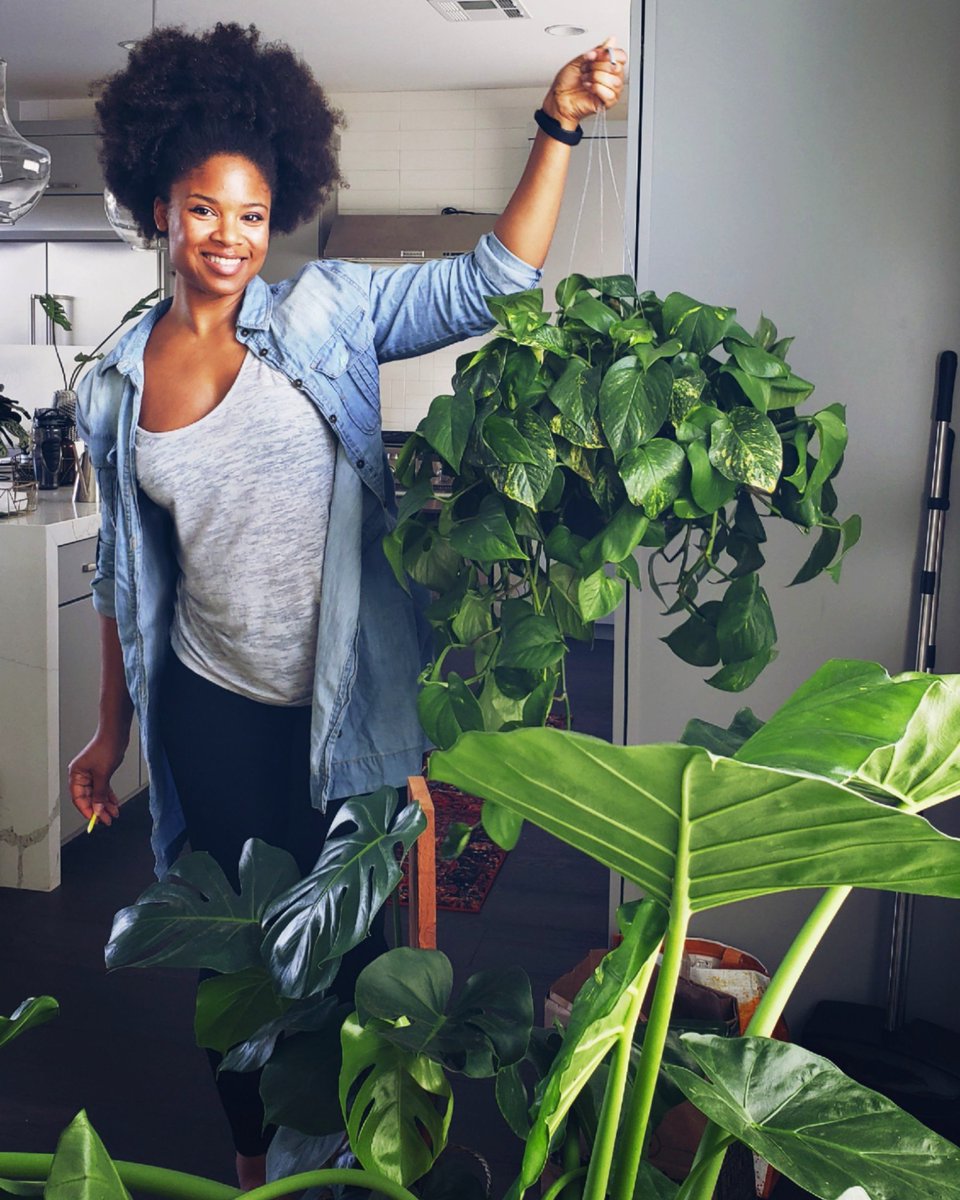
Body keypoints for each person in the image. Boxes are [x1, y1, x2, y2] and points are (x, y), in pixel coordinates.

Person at [69, 21, 625, 1190]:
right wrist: (111, 731)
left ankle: (340, 1171)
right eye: (206, 209)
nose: (231, 237)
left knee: (352, 962)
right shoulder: (113, 383)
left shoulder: (325, 311)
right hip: (208, 714)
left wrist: (559, 127)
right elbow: (128, 574)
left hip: (338, 715)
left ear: (281, 216)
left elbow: (494, 279)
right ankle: (255, 1167)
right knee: (238, 964)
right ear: (158, 208)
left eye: (254, 212)